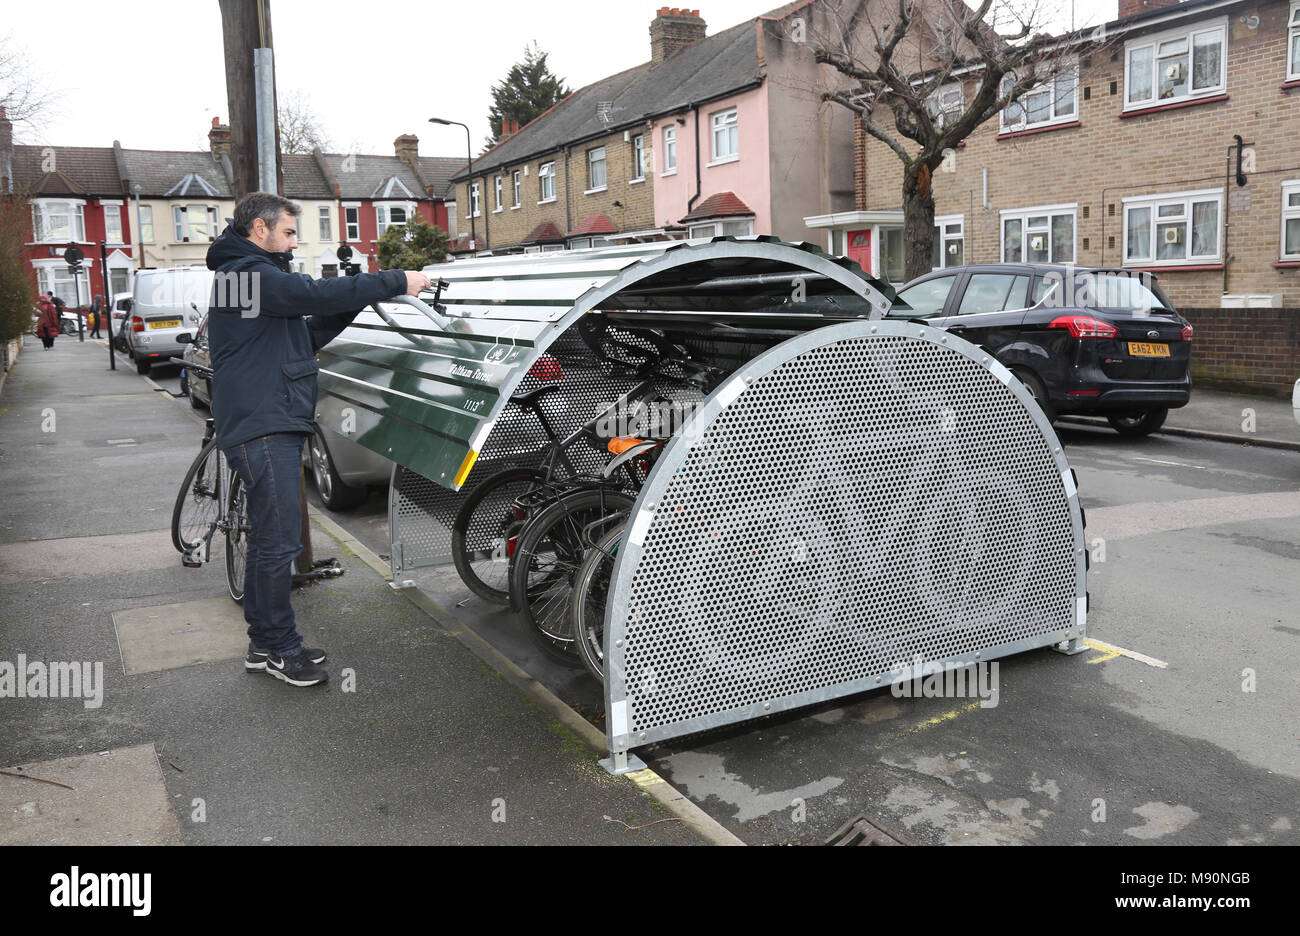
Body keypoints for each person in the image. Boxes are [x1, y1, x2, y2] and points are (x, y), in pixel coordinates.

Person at [206, 191, 430, 688]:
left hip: (270, 419)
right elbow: (309, 294)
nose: (291, 244)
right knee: (278, 540)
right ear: (259, 230)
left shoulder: (252, 277)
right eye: (286, 233)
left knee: (271, 538)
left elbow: (304, 332)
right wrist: (394, 281)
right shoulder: (243, 275)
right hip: (263, 424)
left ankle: (265, 643)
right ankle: (278, 649)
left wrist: (362, 300)